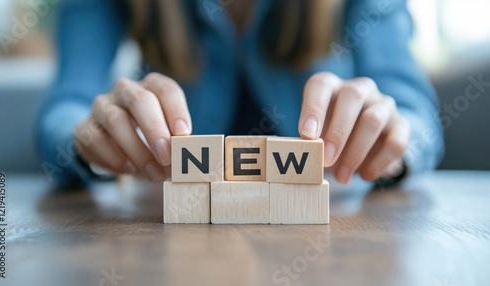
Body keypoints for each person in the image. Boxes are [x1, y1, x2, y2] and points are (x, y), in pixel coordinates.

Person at [36, 0, 444, 188]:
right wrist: (86, 138)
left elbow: (415, 116)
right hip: (166, 228)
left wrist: (393, 139)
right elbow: (64, 109)